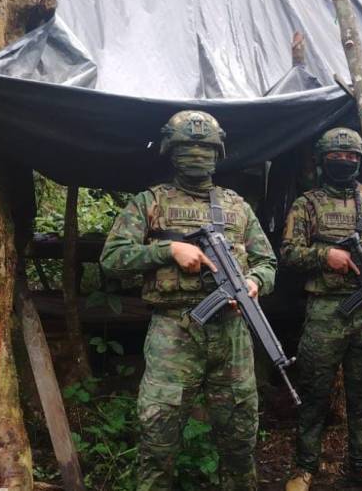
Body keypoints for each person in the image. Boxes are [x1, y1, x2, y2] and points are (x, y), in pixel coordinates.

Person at [100, 110, 277, 491]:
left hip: (231, 335)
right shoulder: (150, 202)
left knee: (240, 439)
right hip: (174, 332)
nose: (197, 154)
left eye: (204, 147)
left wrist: (253, 281)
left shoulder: (237, 207)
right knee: (158, 438)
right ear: (170, 151)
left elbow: (268, 261)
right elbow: (112, 258)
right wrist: (167, 251)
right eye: (187, 147)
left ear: (218, 152)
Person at [282, 127, 362, 491]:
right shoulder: (307, 203)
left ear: (361, 160)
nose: (345, 161)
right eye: (338, 155)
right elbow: (287, 253)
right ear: (323, 160)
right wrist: (325, 255)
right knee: (314, 392)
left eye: (352, 156)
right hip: (325, 310)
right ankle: (304, 468)